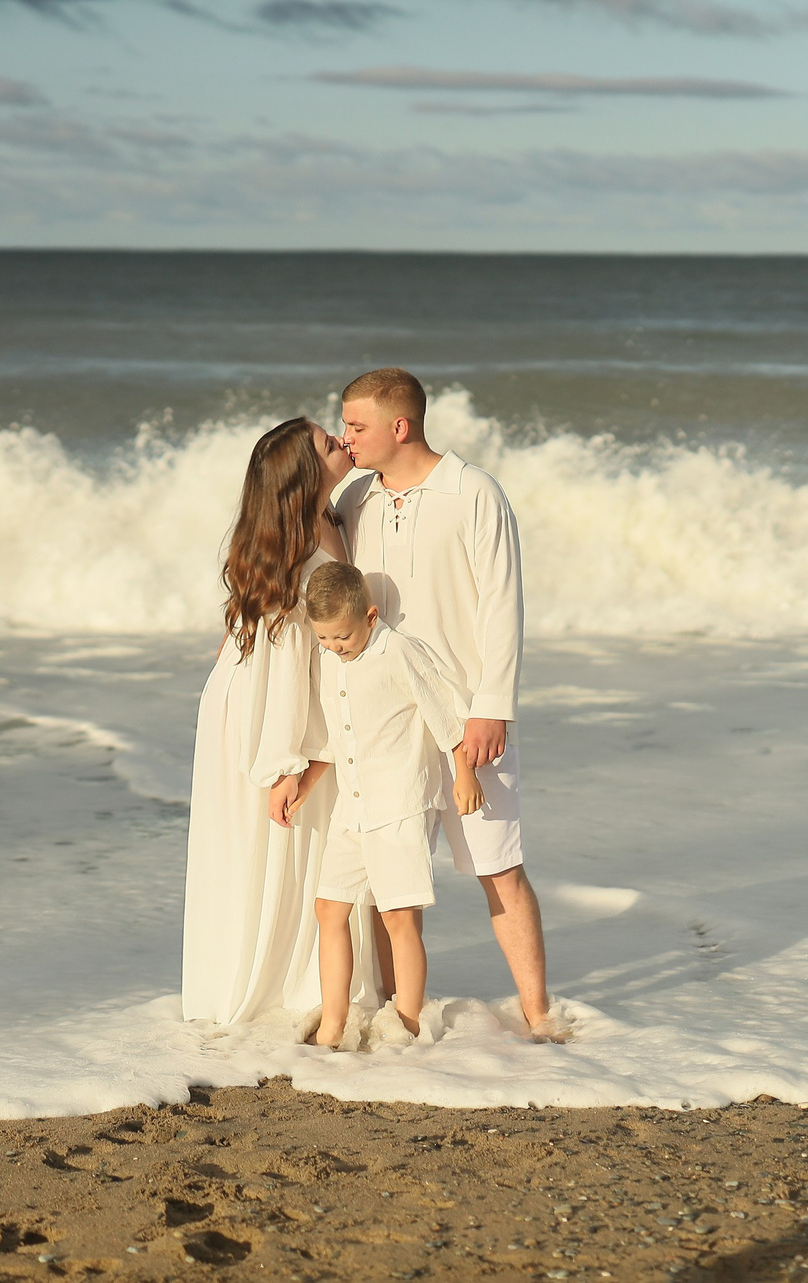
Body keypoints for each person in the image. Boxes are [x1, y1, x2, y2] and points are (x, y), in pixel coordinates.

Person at [334, 367, 563, 1041]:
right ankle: (396, 1017)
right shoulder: (354, 499)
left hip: (467, 717)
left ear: (399, 426)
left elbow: (503, 605)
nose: (346, 438)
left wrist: (492, 708)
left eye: (356, 426)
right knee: (389, 878)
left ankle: (540, 1014)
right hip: (387, 725)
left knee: (499, 866)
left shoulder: (474, 492)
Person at [180, 416, 369, 1025]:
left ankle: (307, 985)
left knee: (298, 847)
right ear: (303, 476)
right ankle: (276, 993)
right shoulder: (300, 555)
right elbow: (287, 667)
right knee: (279, 837)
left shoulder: (334, 519)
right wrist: (296, 762)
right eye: (325, 442)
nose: (340, 440)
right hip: (266, 715)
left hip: (268, 701)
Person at [268, 562, 482, 1048]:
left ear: (370, 615)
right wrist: (300, 785)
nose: (334, 648)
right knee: (328, 908)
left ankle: (406, 1025)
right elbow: (331, 739)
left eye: (342, 637)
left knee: (398, 918)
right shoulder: (331, 661)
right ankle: (332, 1025)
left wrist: (464, 772)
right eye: (324, 639)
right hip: (354, 806)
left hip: (399, 805)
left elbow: (442, 712)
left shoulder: (397, 652)